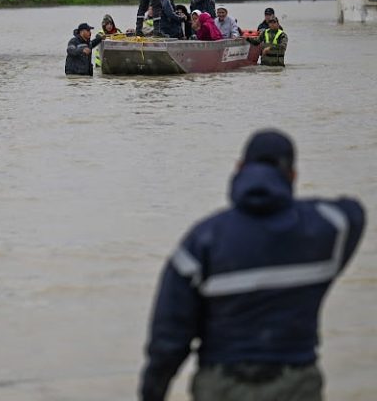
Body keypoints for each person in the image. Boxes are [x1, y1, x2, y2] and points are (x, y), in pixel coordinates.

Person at [139, 129, 365, 401]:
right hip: (295, 384)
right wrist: (291, 208)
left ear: (239, 168)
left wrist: (152, 391)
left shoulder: (203, 240)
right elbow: (354, 210)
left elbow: (169, 336)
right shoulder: (323, 231)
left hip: (222, 384)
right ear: (293, 175)